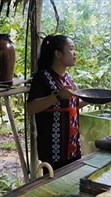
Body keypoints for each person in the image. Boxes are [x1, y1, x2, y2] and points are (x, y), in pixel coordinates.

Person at [27, 34, 88, 172]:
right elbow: (31, 108)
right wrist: (56, 96)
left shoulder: (68, 78)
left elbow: (73, 104)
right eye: (71, 49)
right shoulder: (42, 77)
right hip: (53, 151)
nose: (75, 53)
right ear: (58, 54)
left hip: (72, 148)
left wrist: (94, 98)